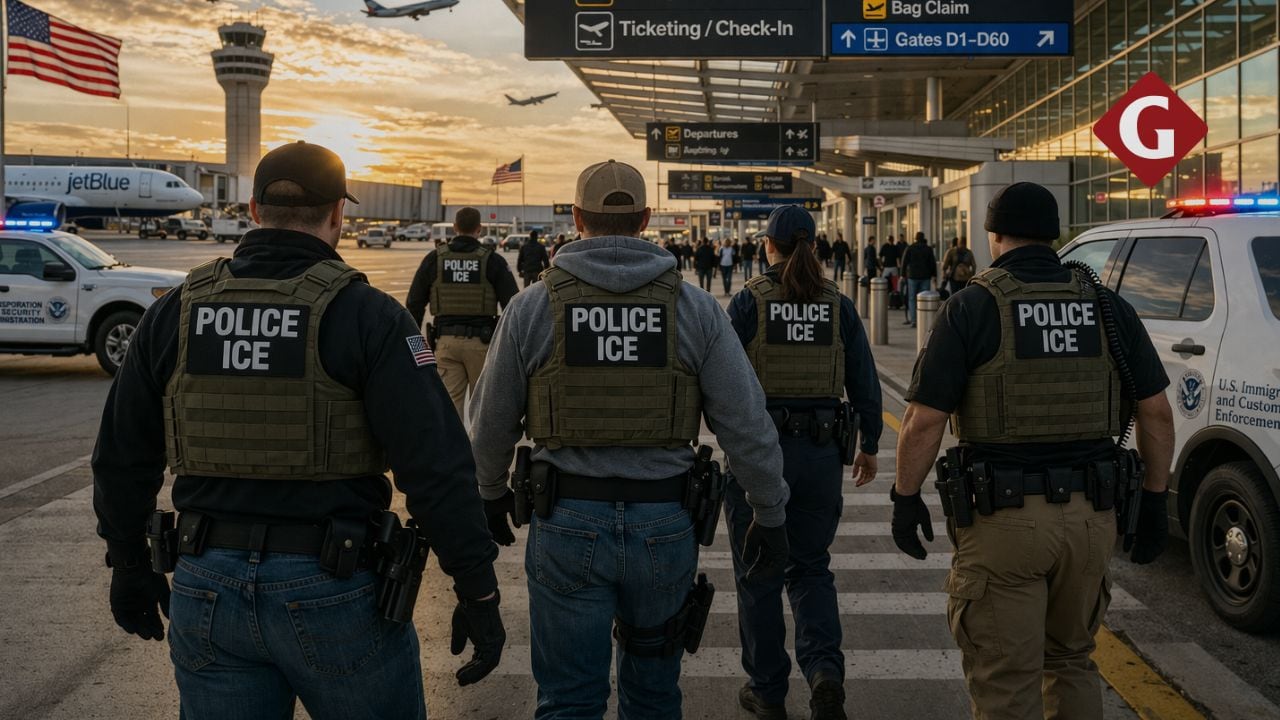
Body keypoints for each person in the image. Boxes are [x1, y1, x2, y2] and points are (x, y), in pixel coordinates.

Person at [92, 141, 507, 719]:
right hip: (334, 588)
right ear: (339, 214)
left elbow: (121, 454)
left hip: (206, 579)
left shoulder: (178, 310)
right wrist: (476, 586)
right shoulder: (367, 315)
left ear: (255, 211)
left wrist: (129, 563)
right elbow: (435, 463)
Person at [469, 160, 791, 719]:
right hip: (664, 526)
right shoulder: (694, 308)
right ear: (645, 219)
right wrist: (770, 509)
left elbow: (489, 421)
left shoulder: (531, 308)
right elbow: (746, 423)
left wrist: (489, 491)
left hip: (566, 520)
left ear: (576, 218)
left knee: (568, 701)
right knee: (652, 696)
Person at [890, 182, 1175, 719]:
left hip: (1006, 523)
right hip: (1092, 521)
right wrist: (1156, 502)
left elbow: (924, 421)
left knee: (1007, 678)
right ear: (1054, 235)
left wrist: (906, 498)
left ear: (994, 235)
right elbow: (1156, 412)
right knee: (1071, 660)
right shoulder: (1106, 305)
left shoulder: (971, 306)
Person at [726, 206, 884, 720]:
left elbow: (721, 379)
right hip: (820, 455)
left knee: (759, 575)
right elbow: (864, 379)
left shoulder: (749, 301)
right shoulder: (838, 305)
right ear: (813, 246)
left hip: (759, 458)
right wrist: (870, 443)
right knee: (811, 568)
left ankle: (769, 691)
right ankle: (824, 675)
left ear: (767, 246)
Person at [406, 207, 520, 417]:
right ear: (480, 229)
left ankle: (452, 451)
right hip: (482, 346)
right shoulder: (492, 261)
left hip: (445, 344)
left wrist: (417, 351)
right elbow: (514, 306)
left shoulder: (435, 259)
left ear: (455, 227)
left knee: (448, 415)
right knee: (484, 415)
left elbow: (413, 305)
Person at [901, 231, 938, 327]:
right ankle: (924, 319)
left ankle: (914, 320)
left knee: (912, 298)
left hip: (912, 276)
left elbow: (904, 262)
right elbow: (932, 263)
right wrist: (934, 275)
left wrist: (902, 275)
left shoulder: (910, 248)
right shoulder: (928, 249)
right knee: (924, 298)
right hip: (925, 276)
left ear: (915, 238)